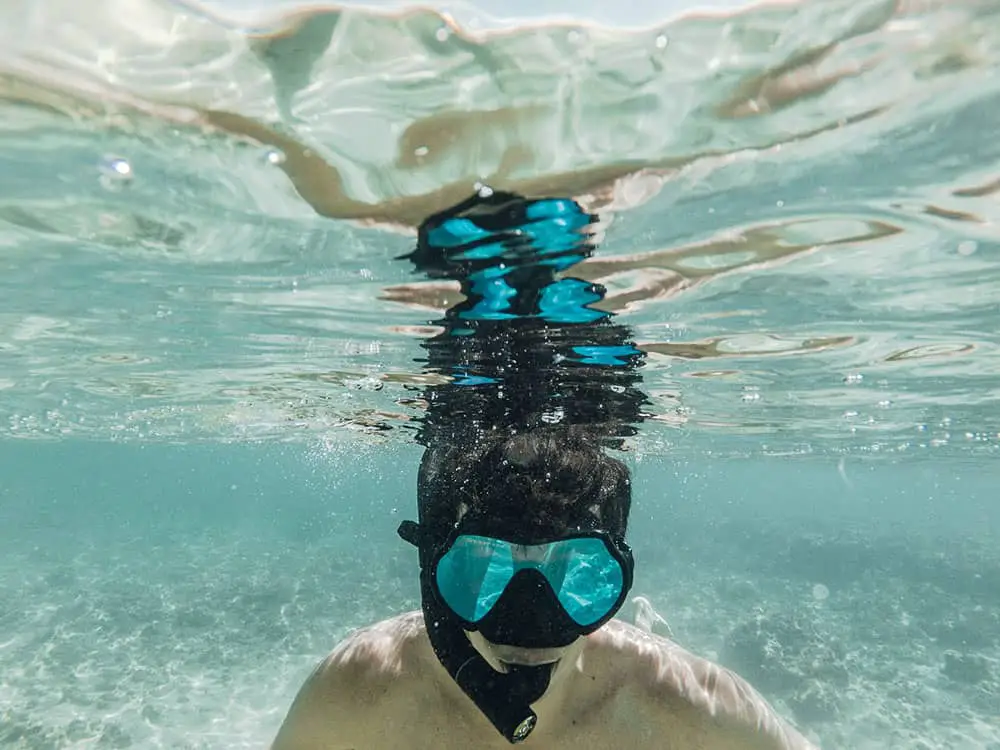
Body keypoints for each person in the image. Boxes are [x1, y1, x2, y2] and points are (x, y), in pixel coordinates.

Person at [271, 191, 819, 749]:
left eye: (576, 577)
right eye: (481, 568)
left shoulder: (679, 701)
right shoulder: (356, 696)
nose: (529, 623)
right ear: (435, 559)